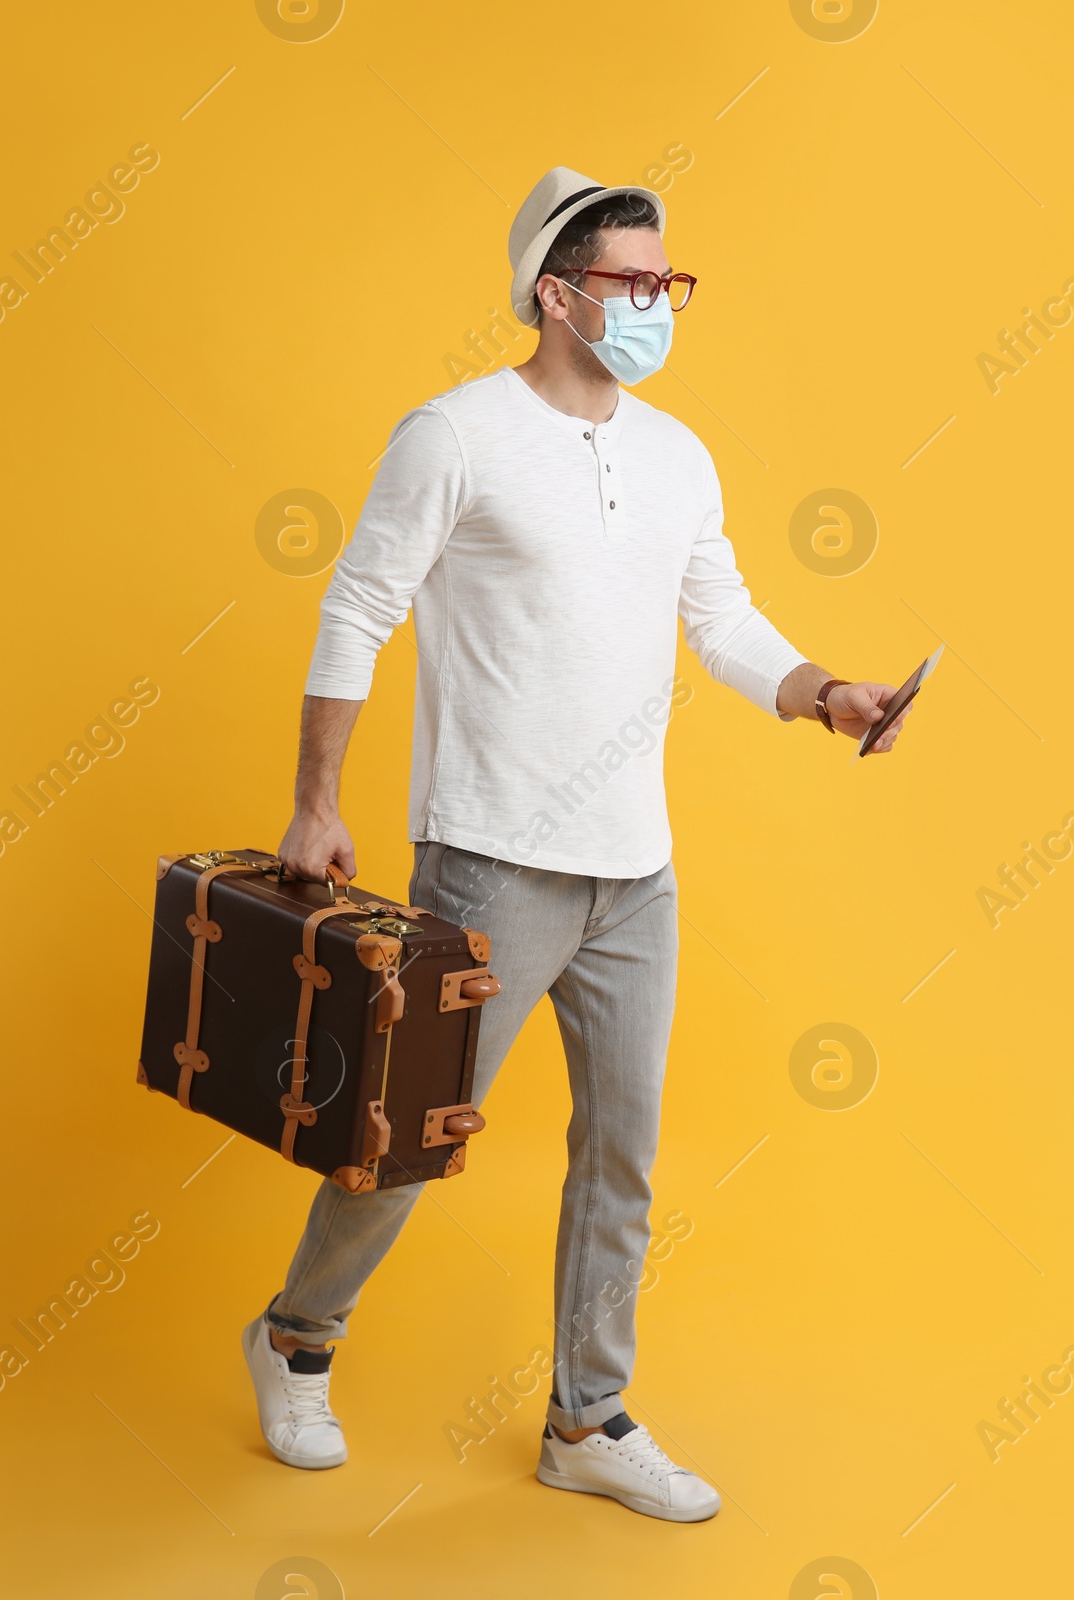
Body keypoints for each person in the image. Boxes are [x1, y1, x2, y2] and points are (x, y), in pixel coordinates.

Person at [243, 166, 909, 1524]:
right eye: (635, 281)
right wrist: (317, 801)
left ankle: (586, 1419)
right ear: (558, 291)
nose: (661, 301)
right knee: (408, 1136)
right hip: (490, 861)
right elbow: (358, 607)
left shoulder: (678, 454)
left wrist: (826, 691)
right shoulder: (455, 435)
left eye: (672, 281)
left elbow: (721, 624)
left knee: (624, 1155)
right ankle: (296, 1341)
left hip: (636, 873)